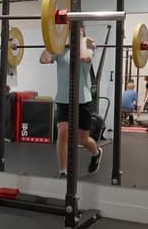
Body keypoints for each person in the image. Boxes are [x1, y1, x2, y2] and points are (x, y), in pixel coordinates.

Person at [40, 26, 103, 178]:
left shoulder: (88, 48)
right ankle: (63, 171)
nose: (70, 32)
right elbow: (44, 59)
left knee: (83, 139)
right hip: (63, 99)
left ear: (81, 30)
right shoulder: (59, 49)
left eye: (75, 29)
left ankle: (96, 152)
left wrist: (82, 40)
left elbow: (84, 58)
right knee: (62, 134)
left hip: (82, 100)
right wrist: (51, 40)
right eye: (69, 29)